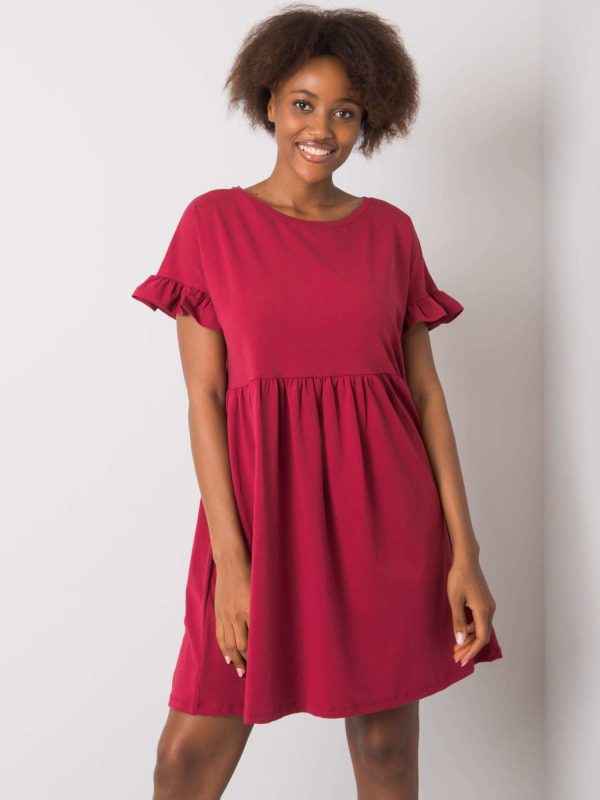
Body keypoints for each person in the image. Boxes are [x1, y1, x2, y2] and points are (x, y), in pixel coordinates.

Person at [131, 5, 503, 799]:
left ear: (369, 120)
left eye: (345, 112)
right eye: (304, 103)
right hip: (257, 519)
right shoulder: (212, 223)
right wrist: (232, 562)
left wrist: (464, 552)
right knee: (187, 756)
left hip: (386, 519)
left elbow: (425, 396)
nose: (322, 129)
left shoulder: (391, 233)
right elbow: (204, 399)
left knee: (385, 746)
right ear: (268, 101)